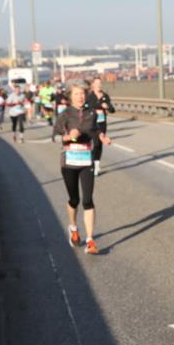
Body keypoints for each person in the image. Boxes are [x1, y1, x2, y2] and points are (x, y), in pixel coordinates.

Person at [53, 82, 111, 255]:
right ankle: (73, 227)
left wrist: (102, 137)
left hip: (86, 161)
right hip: (69, 162)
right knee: (74, 200)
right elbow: (54, 138)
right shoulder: (64, 115)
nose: (81, 96)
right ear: (71, 96)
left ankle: (90, 240)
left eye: (82, 94)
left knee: (87, 200)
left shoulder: (91, 113)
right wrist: (67, 137)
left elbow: (95, 130)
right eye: (77, 94)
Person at [86, 76, 113, 175]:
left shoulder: (105, 96)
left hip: (102, 123)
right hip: (91, 123)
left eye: (100, 83)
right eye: (96, 84)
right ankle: (91, 163)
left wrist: (108, 107)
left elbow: (112, 109)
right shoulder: (89, 96)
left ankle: (96, 165)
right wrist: (98, 107)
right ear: (93, 85)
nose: (98, 85)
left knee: (99, 144)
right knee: (94, 143)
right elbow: (85, 107)